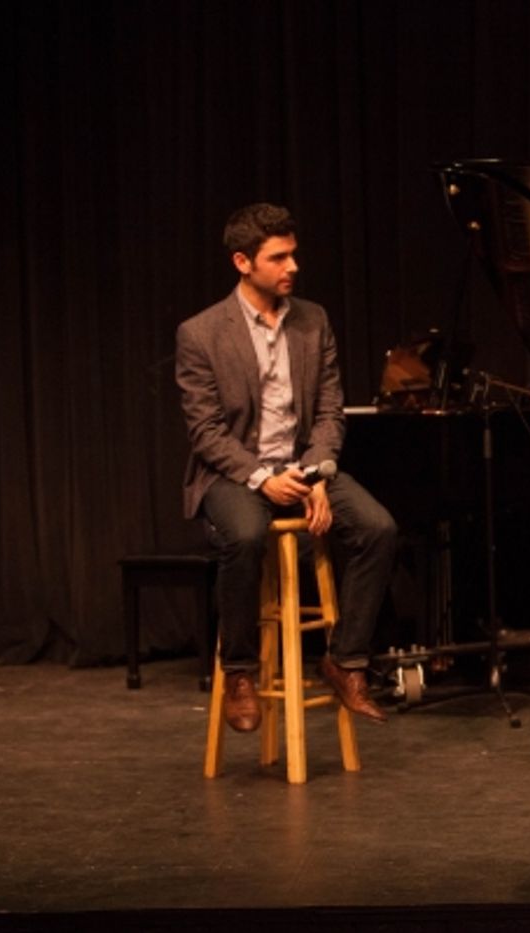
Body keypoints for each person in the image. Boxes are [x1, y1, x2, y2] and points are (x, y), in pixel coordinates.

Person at [177, 202, 396, 730]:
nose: (292, 267)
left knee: (378, 528)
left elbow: (327, 410)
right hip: (235, 474)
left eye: (293, 255)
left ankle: (344, 662)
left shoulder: (312, 321)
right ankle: (240, 671)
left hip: (303, 467)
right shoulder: (202, 333)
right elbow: (206, 432)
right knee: (247, 535)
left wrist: (317, 474)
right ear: (242, 262)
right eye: (278, 258)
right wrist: (263, 478)